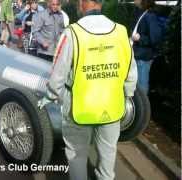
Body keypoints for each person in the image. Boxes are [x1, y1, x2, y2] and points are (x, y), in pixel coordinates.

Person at [37, 0, 137, 179]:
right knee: (108, 155)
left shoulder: (72, 33)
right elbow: (130, 70)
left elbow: (58, 73)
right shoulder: (121, 32)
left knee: (77, 156)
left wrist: (51, 95)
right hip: (111, 106)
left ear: (83, 3)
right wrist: (128, 94)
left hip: (79, 107)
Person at [131, 0, 161, 94]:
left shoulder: (149, 16)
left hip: (143, 58)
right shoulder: (143, 13)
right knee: (139, 88)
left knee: (142, 88)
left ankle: (144, 108)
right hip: (139, 56)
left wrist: (140, 39)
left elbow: (155, 39)